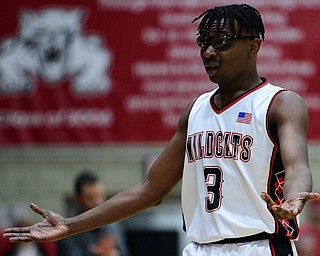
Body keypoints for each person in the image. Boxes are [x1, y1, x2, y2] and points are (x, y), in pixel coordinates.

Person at [3, 4, 320, 256]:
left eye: (221, 42)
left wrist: (294, 200)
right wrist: (71, 226)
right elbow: (149, 189)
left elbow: (297, 166)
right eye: (203, 43)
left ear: (254, 45)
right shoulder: (194, 110)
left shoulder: (280, 103)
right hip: (198, 248)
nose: (208, 53)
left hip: (259, 247)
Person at [57, 171, 130, 256]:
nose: (97, 202)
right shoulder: (67, 231)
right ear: (78, 198)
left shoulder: (113, 225)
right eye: (90, 198)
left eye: (100, 196)